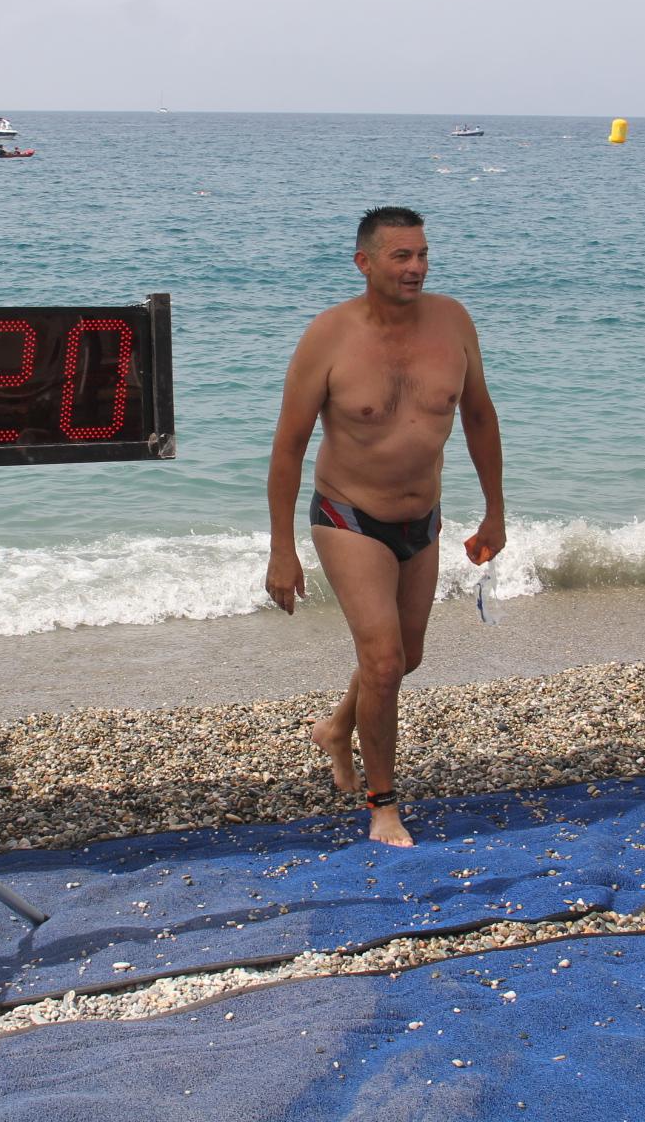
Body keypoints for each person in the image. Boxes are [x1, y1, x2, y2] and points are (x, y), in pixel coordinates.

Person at [266, 205, 505, 847]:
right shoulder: (329, 336)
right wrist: (282, 549)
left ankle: (335, 728)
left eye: (423, 254)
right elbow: (288, 446)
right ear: (364, 263)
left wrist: (495, 510)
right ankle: (383, 806)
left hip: (422, 518)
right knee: (382, 660)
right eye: (401, 256)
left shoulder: (453, 322)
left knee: (406, 659)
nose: (416, 267)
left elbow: (480, 417)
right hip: (348, 516)